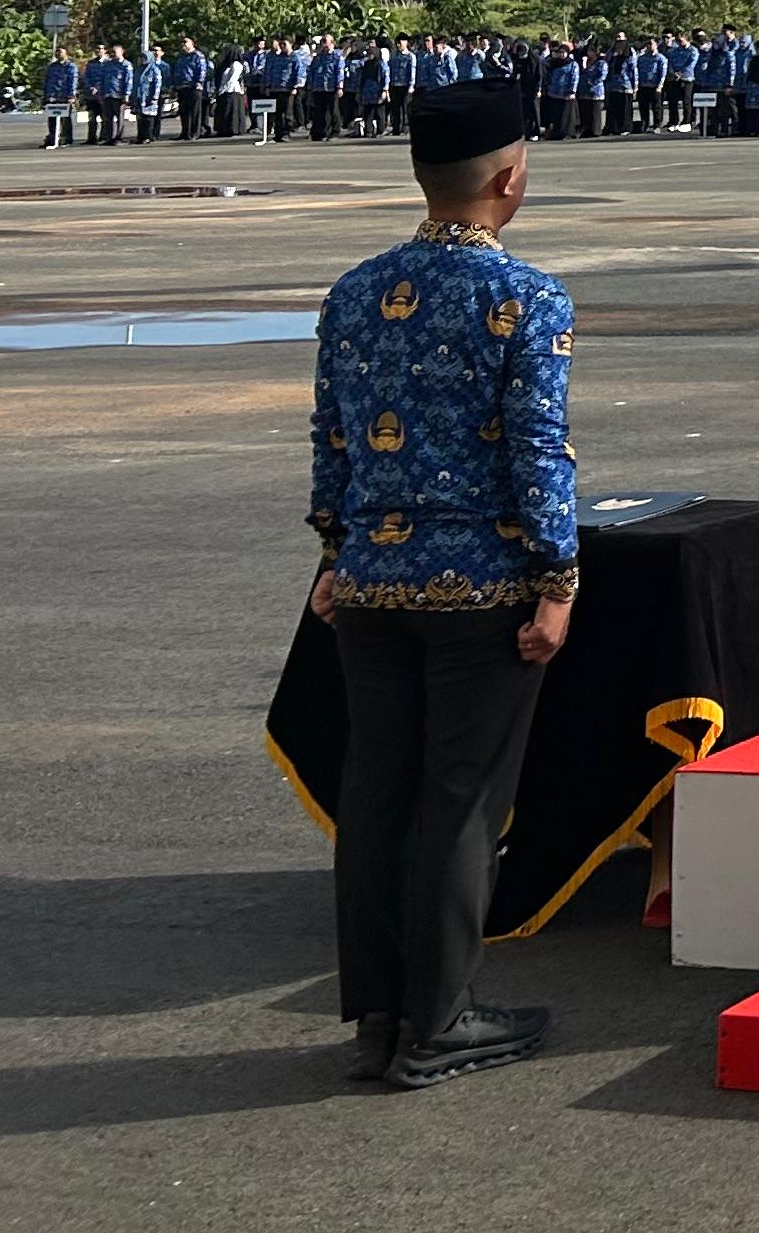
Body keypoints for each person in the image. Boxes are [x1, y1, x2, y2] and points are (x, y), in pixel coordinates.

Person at [302, 77, 577, 1089]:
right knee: (461, 803)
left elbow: (332, 441)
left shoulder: (355, 291)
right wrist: (557, 574)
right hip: (480, 586)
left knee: (376, 794)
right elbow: (539, 450)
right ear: (511, 179)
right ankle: (439, 1018)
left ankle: (377, 1016)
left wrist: (336, 553)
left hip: (372, 583)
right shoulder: (526, 297)